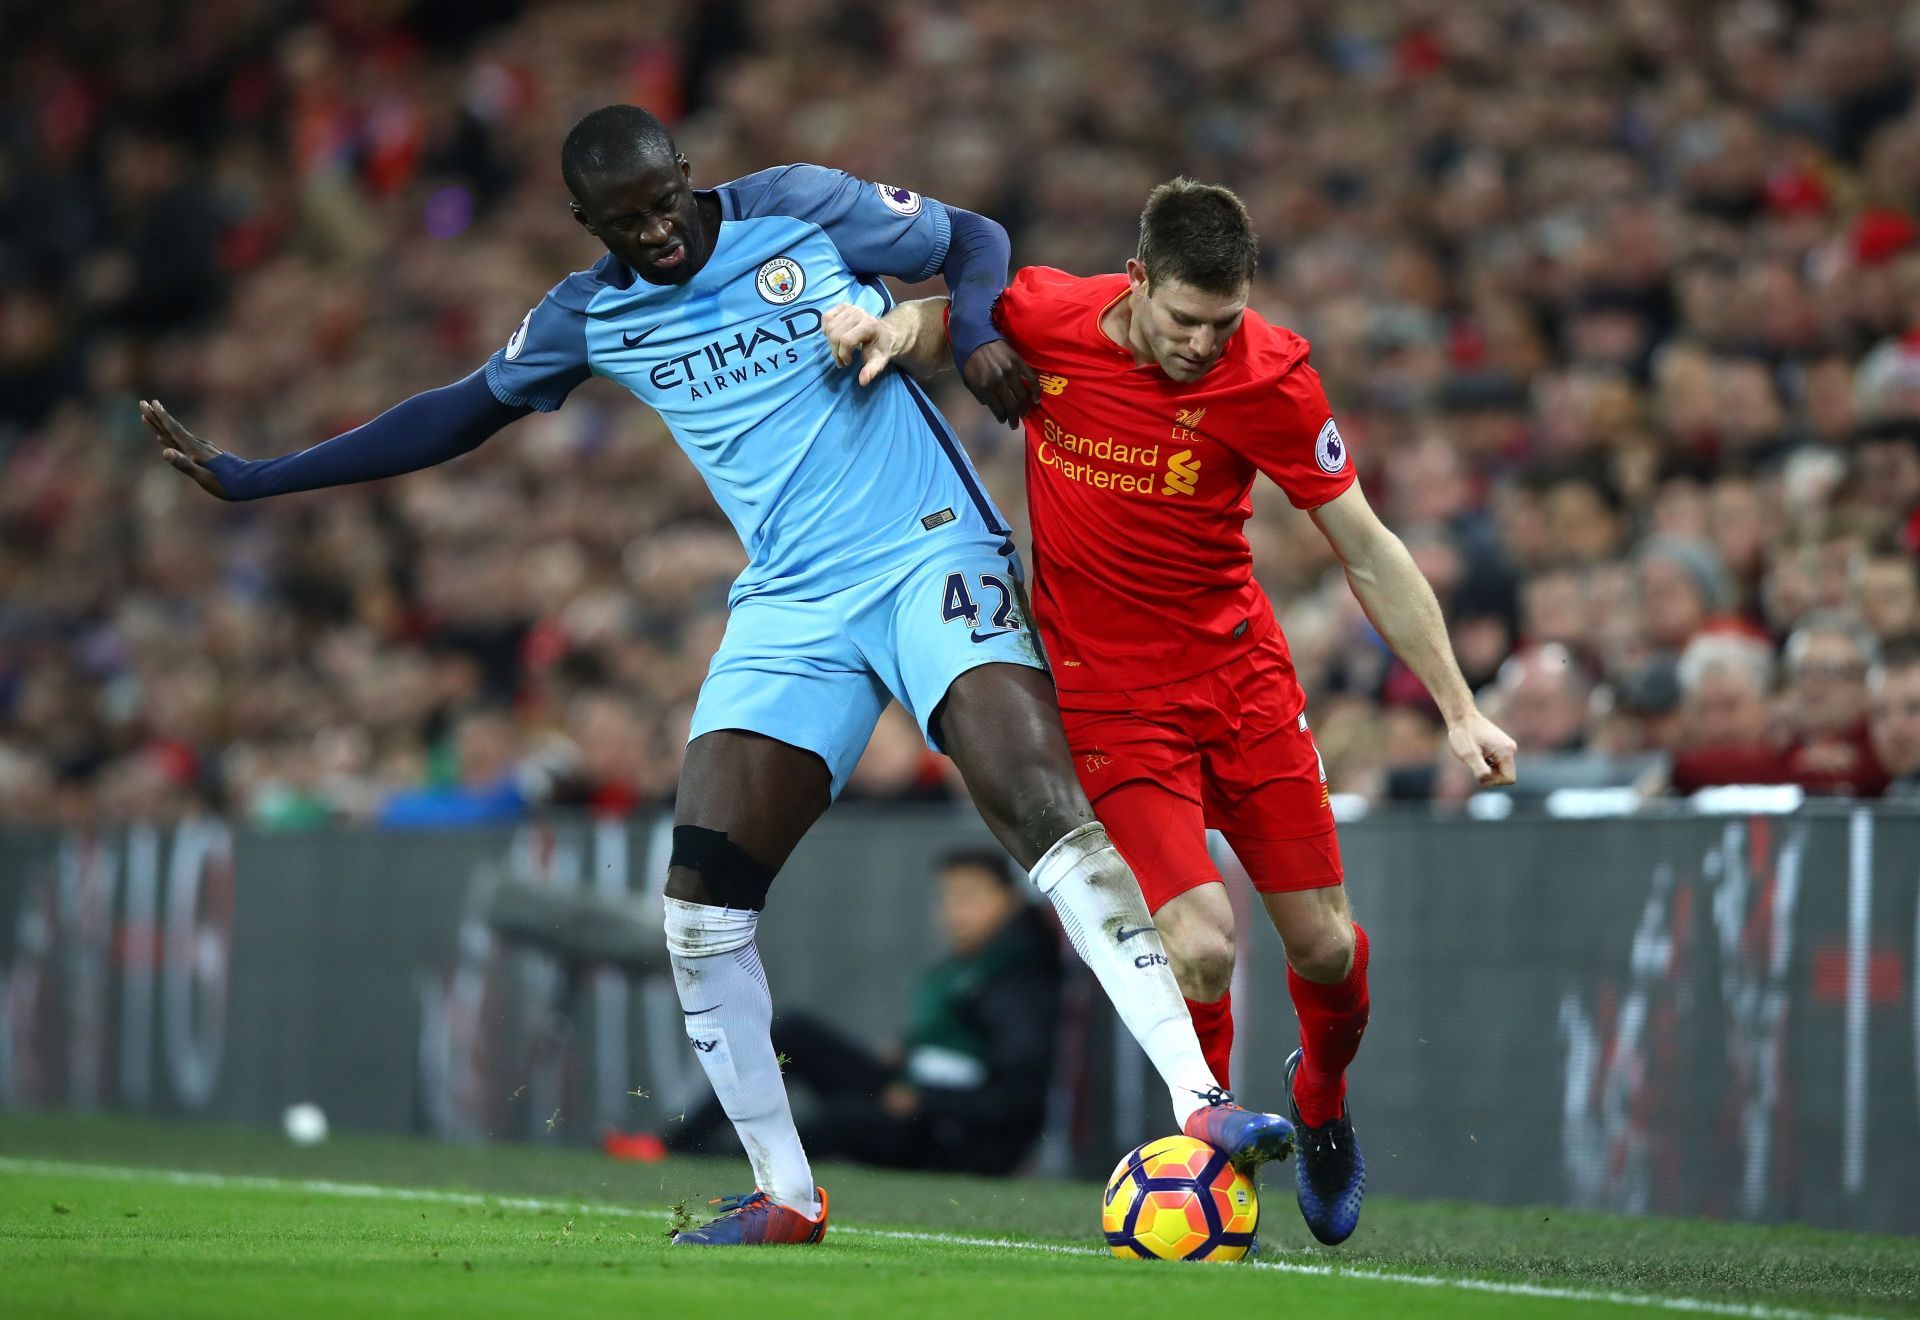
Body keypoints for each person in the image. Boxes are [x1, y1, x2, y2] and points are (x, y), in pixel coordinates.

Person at [140, 108, 1292, 1248]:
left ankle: (1202, 1105)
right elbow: (455, 415)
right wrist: (262, 479)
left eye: (664, 204)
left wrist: (980, 328)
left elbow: (973, 236)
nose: (658, 235)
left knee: (1040, 809)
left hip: (928, 544)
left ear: (686, 174)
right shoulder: (585, 314)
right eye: (626, 222)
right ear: (585, 220)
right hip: (790, 602)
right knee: (698, 913)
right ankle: (786, 1193)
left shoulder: (796, 204)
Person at [823, 178, 1518, 1246]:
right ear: (1137, 281)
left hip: (1242, 682)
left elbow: (1369, 546)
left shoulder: (1272, 376)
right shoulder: (1051, 314)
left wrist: (1460, 710)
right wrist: (896, 325)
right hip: (1110, 697)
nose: (1202, 344)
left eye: (1224, 322)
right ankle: (1210, 1144)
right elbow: (937, 325)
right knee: (1197, 944)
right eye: (1185, 320)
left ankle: (1322, 1102)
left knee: (1326, 951)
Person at [635, 850, 1061, 1174]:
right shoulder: (968, 966)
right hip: (917, 1103)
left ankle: (736, 1164)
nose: (954, 913)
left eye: (968, 898)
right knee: (795, 1032)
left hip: (961, 1137)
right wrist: (910, 1055)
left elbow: (1020, 1094)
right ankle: (682, 1142)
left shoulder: (1020, 976)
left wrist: (928, 1099)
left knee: (842, 1121)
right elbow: (960, 1046)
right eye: (947, 898)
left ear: (1009, 902)